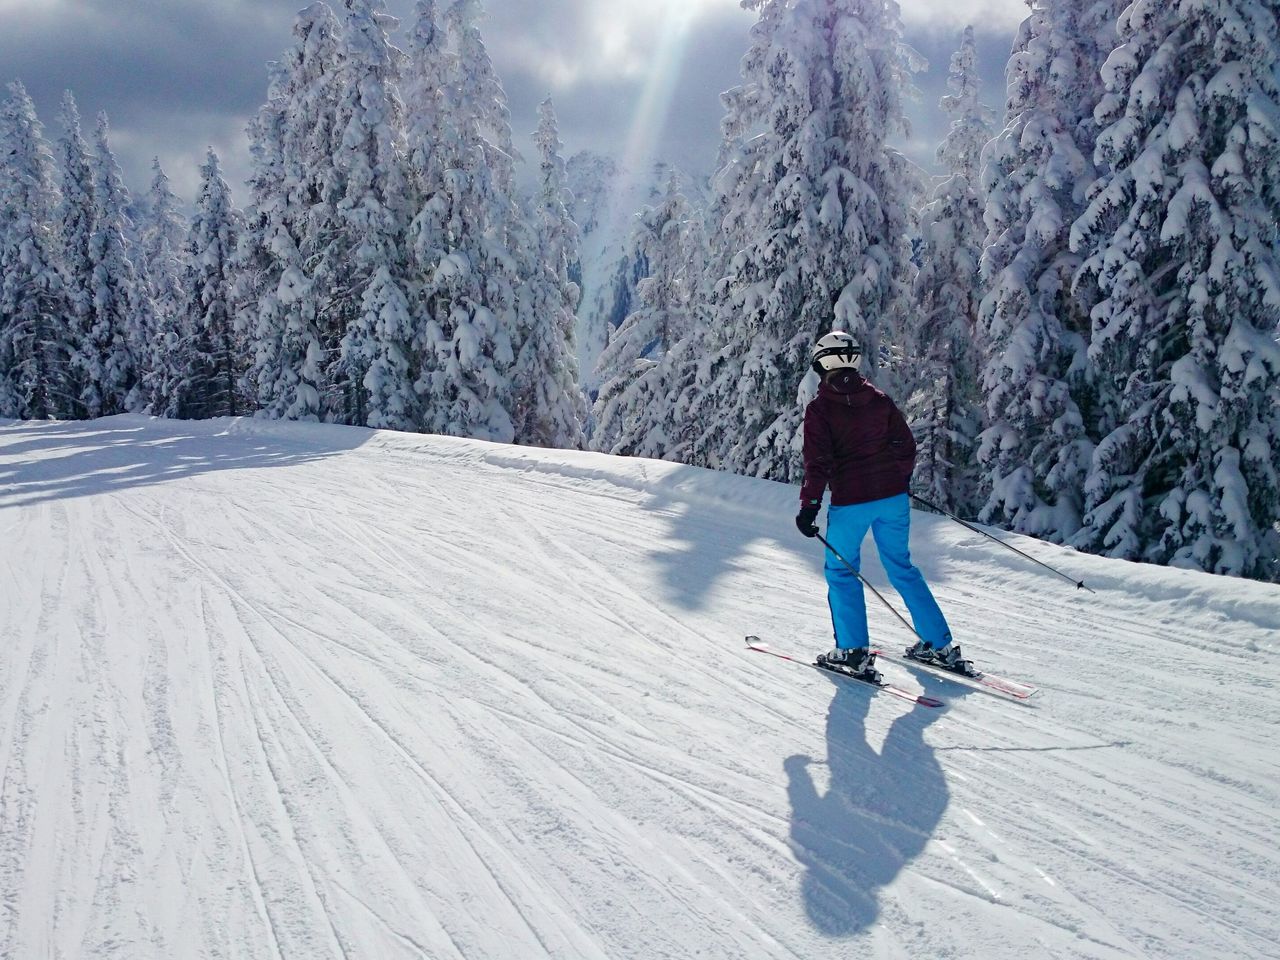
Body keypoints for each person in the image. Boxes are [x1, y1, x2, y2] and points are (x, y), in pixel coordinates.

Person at [794, 331, 961, 678]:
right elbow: (906, 447)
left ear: (822, 363)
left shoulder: (821, 410)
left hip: (851, 503)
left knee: (841, 571)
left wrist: (809, 506)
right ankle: (939, 645)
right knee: (902, 568)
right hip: (892, 501)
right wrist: (897, 481)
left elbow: (819, 464)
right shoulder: (879, 400)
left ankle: (853, 652)